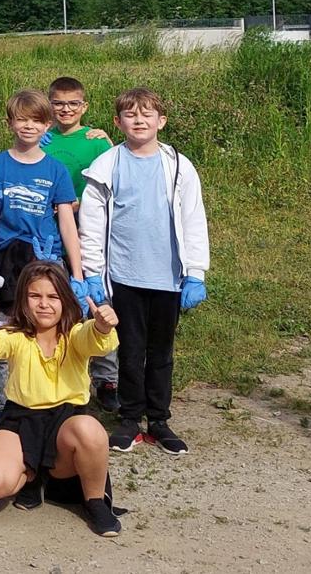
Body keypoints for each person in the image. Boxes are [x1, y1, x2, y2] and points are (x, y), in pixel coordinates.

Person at [79, 87, 209, 456]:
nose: (139, 121)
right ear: (118, 123)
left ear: (161, 121)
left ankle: (159, 420)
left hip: (167, 277)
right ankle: (129, 419)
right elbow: (92, 223)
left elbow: (193, 219)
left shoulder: (179, 166)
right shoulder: (108, 165)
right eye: (131, 115)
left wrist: (196, 272)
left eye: (147, 114)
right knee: (130, 350)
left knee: (162, 351)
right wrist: (93, 274)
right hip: (123, 277)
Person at [0, 261, 125, 537]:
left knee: (90, 429)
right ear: (23, 299)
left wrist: (103, 326)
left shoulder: (75, 334)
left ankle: (96, 501)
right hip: (21, 420)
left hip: (66, 424)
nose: (44, 304)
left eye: (53, 297)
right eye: (35, 296)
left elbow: (95, 338)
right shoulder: (16, 335)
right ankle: (31, 479)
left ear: (66, 300)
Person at [0, 89, 87, 410]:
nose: (29, 126)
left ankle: (48, 402)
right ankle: (0, 408)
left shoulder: (56, 170)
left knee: (45, 332)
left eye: (37, 120)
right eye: (22, 119)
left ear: (47, 125)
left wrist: (78, 273)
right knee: (3, 332)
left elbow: (68, 223)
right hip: (4, 260)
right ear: (10, 123)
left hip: (44, 260)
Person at [43, 76, 119, 411]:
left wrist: (110, 138)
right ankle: (64, 371)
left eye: (73, 103)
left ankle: (107, 378)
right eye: (58, 103)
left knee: (96, 299)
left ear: (84, 106)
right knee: (61, 303)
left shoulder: (96, 142)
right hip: (50, 234)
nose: (66, 109)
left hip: (90, 230)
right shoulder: (42, 139)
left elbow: (114, 179)